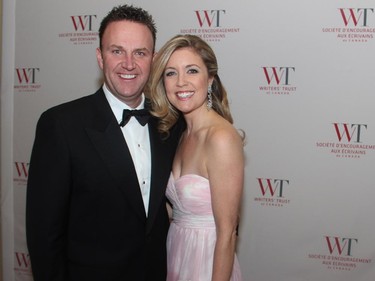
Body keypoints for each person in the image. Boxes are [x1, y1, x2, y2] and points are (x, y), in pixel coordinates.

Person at [26, 5, 183, 281]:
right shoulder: (61, 126)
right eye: (117, 51)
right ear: (100, 57)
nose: (129, 64)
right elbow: (44, 235)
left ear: (154, 59)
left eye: (140, 53)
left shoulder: (170, 123)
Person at [148, 34, 244, 281]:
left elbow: (227, 233)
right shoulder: (177, 134)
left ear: (210, 78)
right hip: (176, 252)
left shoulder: (221, 138)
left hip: (208, 259)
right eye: (170, 73)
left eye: (191, 71)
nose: (181, 82)